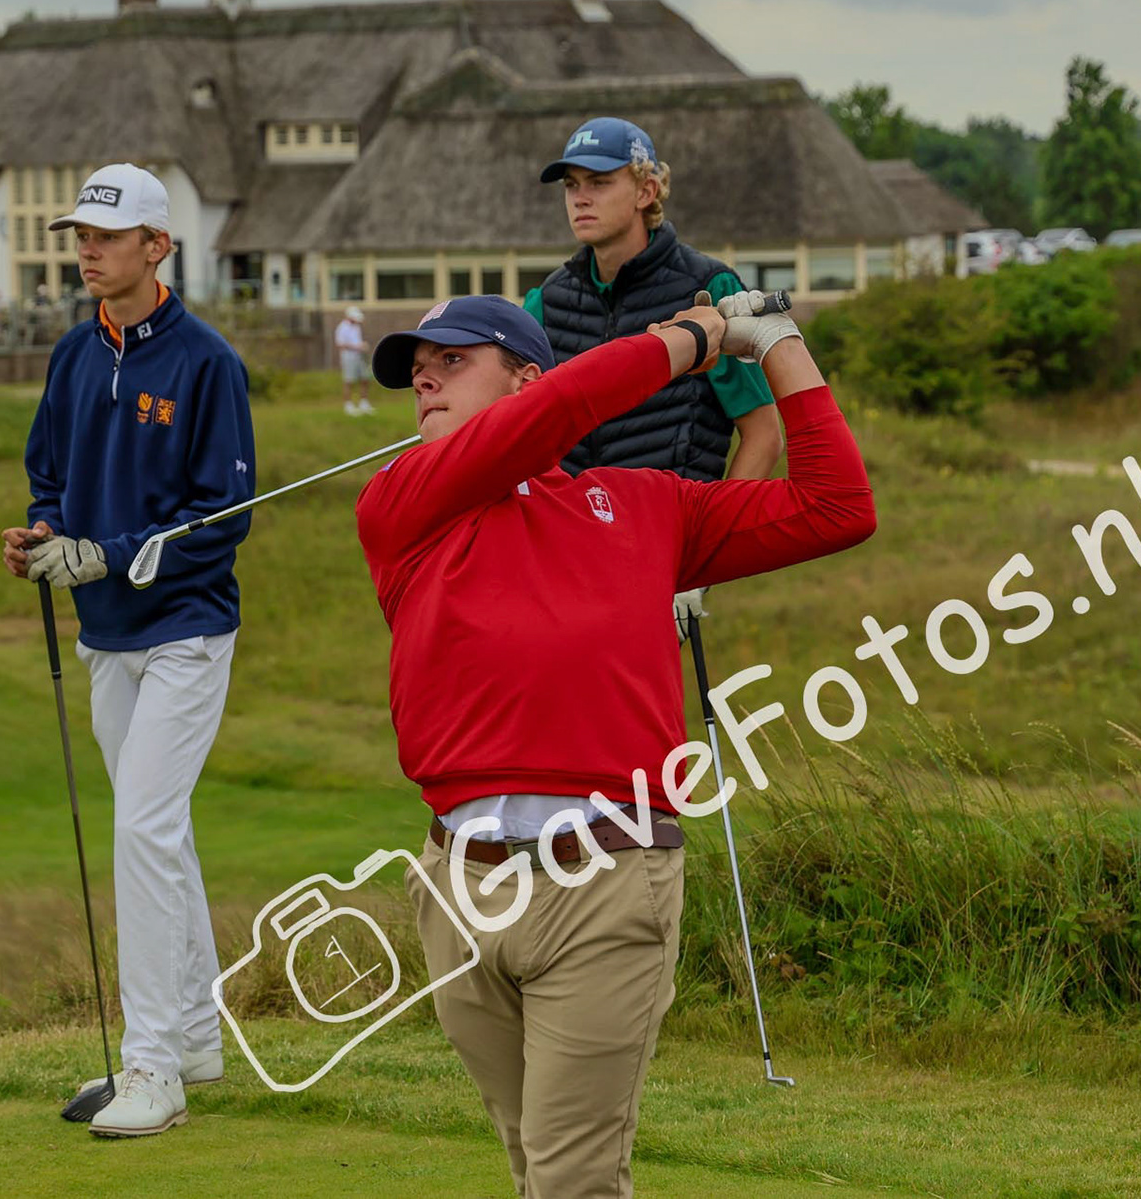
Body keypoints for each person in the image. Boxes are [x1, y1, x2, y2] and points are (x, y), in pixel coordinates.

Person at [355, 294, 874, 1196]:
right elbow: (562, 412)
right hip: (460, 888)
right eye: (415, 369)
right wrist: (692, 338)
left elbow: (837, 506)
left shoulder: (642, 507)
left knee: (571, 1178)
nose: (423, 378)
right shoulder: (405, 503)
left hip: (604, 884)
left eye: (451, 359)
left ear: (525, 377)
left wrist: (774, 341)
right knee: (535, 1164)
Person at [0, 163, 256, 1139]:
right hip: (105, 632)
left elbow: (223, 517)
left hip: (188, 628)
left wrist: (104, 552)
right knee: (163, 828)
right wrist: (42, 535)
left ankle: (152, 1066)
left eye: (106, 236)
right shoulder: (73, 355)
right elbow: (50, 474)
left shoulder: (205, 362)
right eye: (79, 235)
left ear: (159, 246)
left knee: (144, 827)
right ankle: (193, 1032)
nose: (87, 250)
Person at [527, 116, 785, 639]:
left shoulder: (708, 288)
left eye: (599, 183)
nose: (580, 198)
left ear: (647, 189)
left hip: (664, 556)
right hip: (569, 557)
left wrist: (705, 564)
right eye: (572, 186)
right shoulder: (544, 301)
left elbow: (764, 435)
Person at [335, 305, 374, 415]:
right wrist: (357, 346)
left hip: (359, 356)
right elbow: (340, 344)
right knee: (349, 380)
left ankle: (364, 403)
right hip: (348, 357)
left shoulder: (356, 327)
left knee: (365, 378)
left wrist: (361, 346)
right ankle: (348, 405)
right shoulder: (342, 327)